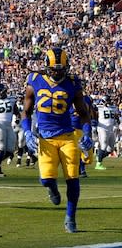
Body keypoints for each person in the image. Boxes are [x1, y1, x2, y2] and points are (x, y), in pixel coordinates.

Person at [21, 47, 93, 233]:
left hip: (68, 137)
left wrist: (87, 133)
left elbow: (84, 113)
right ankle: (52, 188)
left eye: (61, 69)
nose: (58, 73)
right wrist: (27, 132)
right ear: (46, 67)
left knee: (73, 178)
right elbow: (26, 112)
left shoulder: (73, 83)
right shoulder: (35, 80)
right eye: (54, 69)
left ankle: (71, 217)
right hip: (45, 139)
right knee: (46, 180)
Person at [0, 83, 18, 177]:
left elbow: (16, 111)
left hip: (9, 125)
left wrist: (18, 118)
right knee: (1, 147)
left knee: (11, 150)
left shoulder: (12, 100)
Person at [70, 92, 95, 177]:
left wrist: (92, 120)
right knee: (76, 152)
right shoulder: (68, 96)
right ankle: (80, 170)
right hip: (73, 127)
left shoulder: (87, 99)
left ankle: (81, 169)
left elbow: (90, 111)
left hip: (85, 127)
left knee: (88, 156)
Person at [94, 96, 119, 170]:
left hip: (111, 129)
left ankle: (99, 156)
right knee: (104, 145)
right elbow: (92, 110)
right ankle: (98, 164)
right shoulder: (99, 107)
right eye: (107, 101)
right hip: (102, 128)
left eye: (109, 101)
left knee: (110, 149)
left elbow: (115, 116)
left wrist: (117, 120)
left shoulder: (113, 107)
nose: (109, 102)